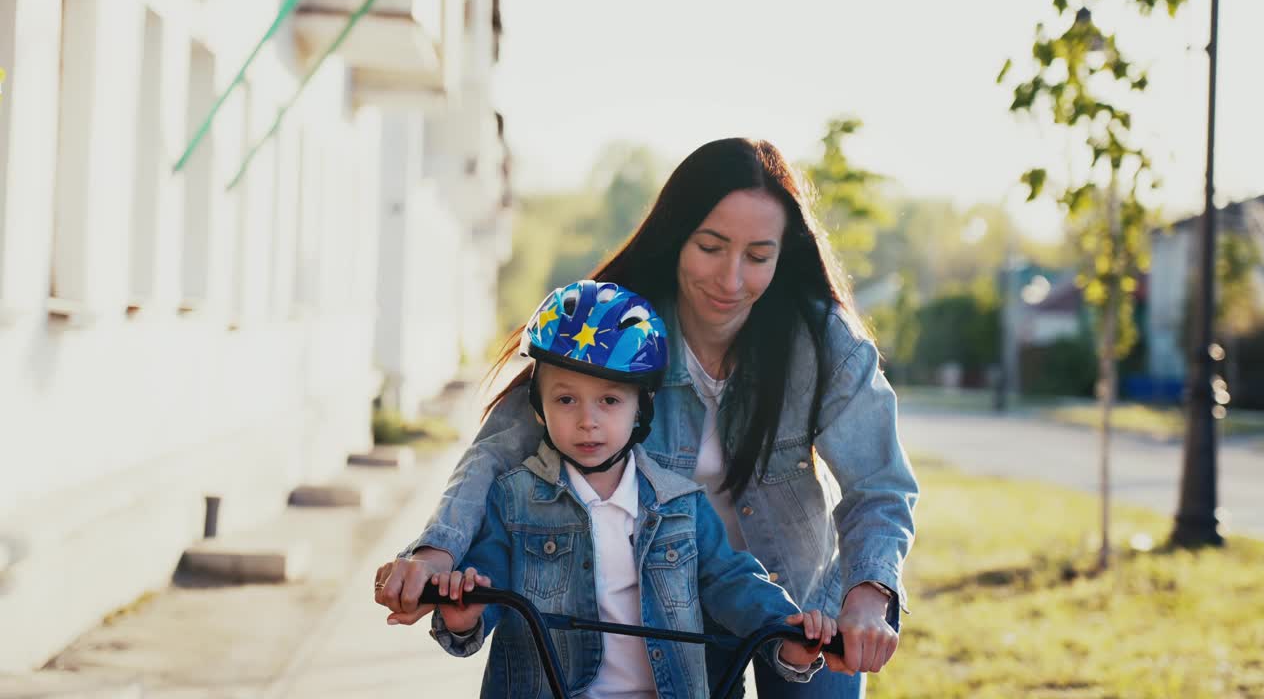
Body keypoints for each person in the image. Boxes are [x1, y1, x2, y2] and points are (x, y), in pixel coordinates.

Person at [376, 137, 919, 697]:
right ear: (676, 236)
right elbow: (496, 452)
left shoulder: (824, 341)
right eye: (711, 247)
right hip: (671, 602)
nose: (731, 280)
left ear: (783, 256)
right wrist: (434, 552)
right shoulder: (614, 328)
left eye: (758, 256)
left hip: (803, 600)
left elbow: (879, 483)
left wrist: (868, 594)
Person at [426, 279, 836, 698]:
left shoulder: (682, 505)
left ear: (642, 405)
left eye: (610, 401)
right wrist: (466, 615)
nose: (588, 420)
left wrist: (785, 632)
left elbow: (732, 579)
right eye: (566, 400)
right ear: (538, 405)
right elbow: (487, 579)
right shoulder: (513, 499)